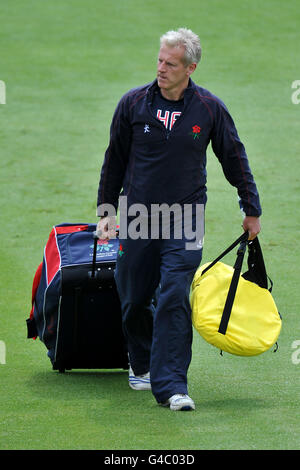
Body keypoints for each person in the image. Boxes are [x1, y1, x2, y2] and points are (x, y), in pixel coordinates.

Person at [96, 28, 261, 411]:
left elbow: (234, 157)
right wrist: (107, 212)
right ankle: (142, 361)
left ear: (191, 68)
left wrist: (251, 209)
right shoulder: (133, 103)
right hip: (138, 215)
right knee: (135, 298)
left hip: (185, 218)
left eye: (170, 63)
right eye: (159, 60)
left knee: (173, 296)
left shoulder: (209, 108)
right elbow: (114, 161)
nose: (161, 68)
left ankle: (172, 386)